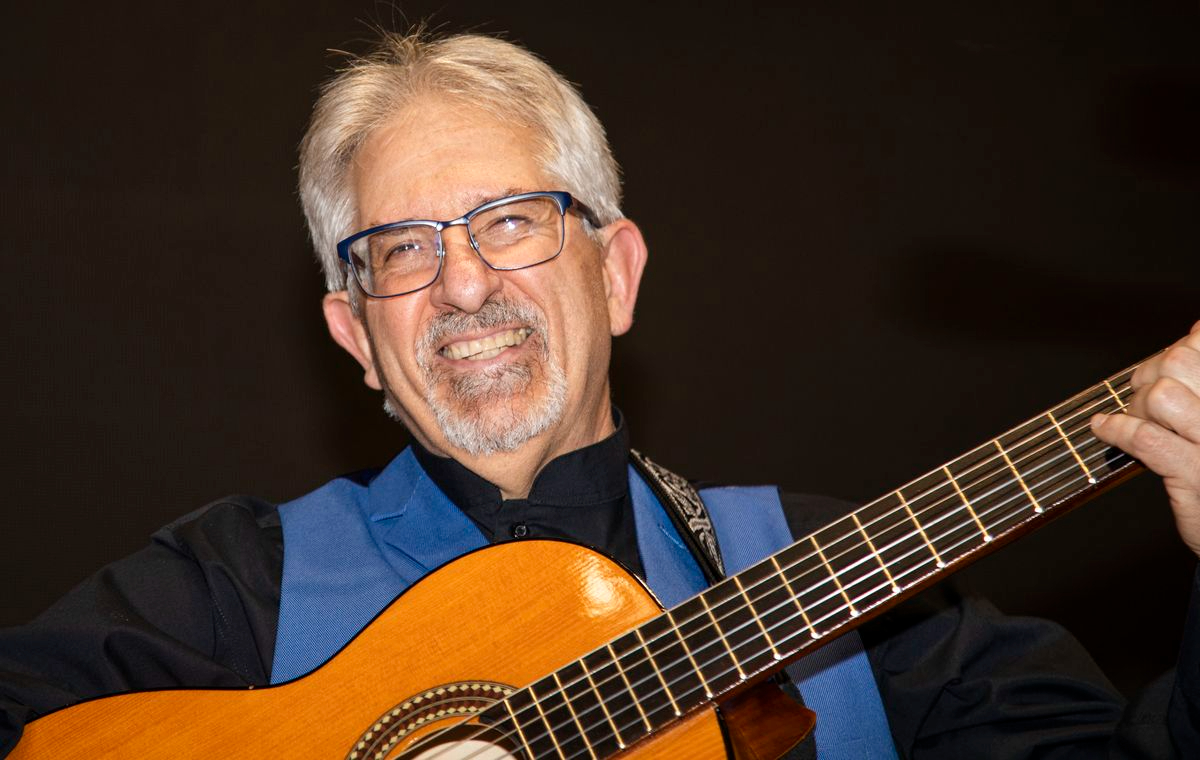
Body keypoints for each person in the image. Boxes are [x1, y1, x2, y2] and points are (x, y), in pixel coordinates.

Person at [2, 29, 1199, 759]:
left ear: (617, 272)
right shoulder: (229, 585)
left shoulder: (846, 579)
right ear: (354, 332)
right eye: (402, 251)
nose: (464, 283)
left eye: (512, 222)